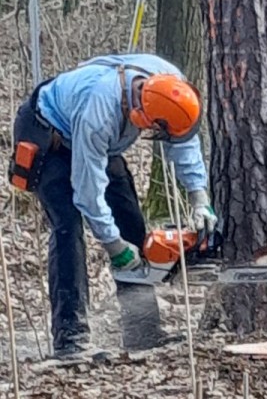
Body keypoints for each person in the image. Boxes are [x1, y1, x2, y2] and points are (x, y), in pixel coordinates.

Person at [9, 53, 217, 358]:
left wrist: (199, 197)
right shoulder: (99, 113)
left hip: (100, 140)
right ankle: (71, 339)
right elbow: (87, 191)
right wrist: (114, 245)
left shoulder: (173, 89)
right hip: (47, 133)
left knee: (131, 222)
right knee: (67, 226)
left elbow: (183, 141)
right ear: (142, 116)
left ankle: (142, 331)